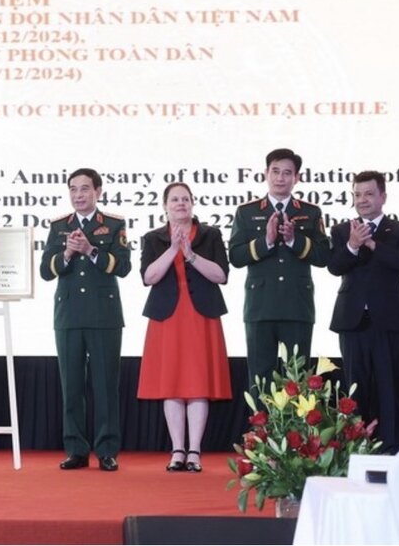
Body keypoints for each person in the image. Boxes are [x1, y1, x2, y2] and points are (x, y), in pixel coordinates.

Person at [40, 168, 131, 472]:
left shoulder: (114, 224)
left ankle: (106, 450)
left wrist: (91, 250)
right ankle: (76, 449)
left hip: (104, 316)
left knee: (105, 386)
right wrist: (66, 253)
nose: (78, 195)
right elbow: (46, 271)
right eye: (73, 190)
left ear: (98, 192)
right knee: (72, 386)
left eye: (85, 189)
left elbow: (123, 267)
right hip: (68, 315)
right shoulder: (58, 226)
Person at [137, 183, 231, 473]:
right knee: (172, 385)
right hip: (168, 317)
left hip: (201, 316)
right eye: (174, 199)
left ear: (193, 203)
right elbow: (148, 277)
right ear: (164, 205)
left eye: (185, 199)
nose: (180, 203)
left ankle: (195, 451)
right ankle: (177, 450)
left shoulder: (210, 235)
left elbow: (221, 275)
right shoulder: (153, 237)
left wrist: (190, 254)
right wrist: (173, 250)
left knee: (199, 385)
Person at [327, 171, 399, 452]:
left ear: (383, 197)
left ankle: (390, 449)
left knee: (390, 389)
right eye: (357, 194)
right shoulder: (342, 231)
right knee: (355, 388)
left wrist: (373, 244)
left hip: (389, 321)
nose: (362, 200)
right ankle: (355, 448)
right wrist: (353, 245)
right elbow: (335, 267)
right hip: (352, 320)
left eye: (368, 194)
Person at [229, 148, 330, 388]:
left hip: (297, 305)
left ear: (297, 178)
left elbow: (323, 255)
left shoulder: (310, 212)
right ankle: (260, 427)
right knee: (260, 378)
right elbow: (235, 256)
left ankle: (295, 428)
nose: (280, 178)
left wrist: (295, 241)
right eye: (275, 171)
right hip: (260, 306)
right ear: (265, 173)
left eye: (287, 173)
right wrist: (267, 242)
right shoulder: (247, 211)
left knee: (296, 377)